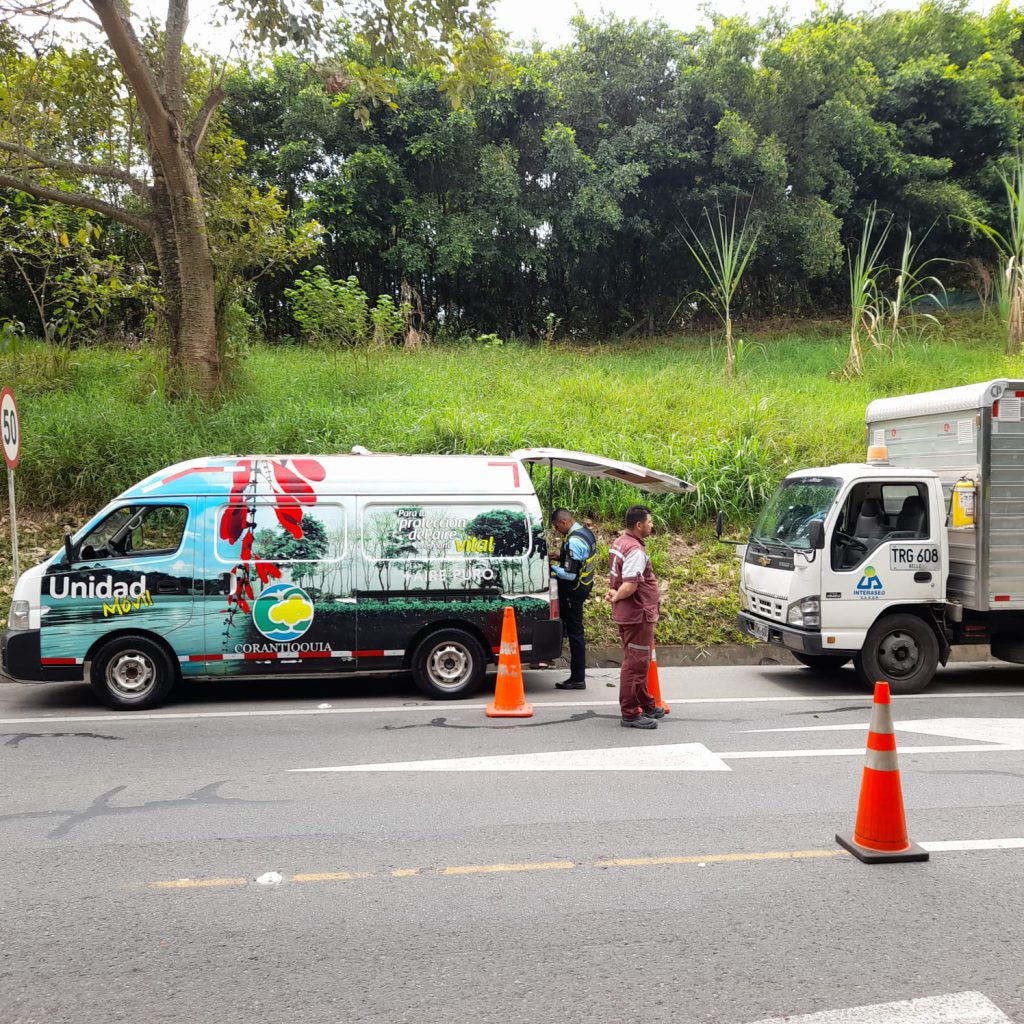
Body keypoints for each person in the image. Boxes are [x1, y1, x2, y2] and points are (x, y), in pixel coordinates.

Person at [606, 504, 666, 729]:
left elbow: (619, 578)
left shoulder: (620, 542)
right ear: (639, 525)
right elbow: (630, 585)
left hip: (631, 613)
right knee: (635, 665)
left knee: (637, 661)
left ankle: (646, 704)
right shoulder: (635, 551)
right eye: (650, 522)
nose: (652, 525)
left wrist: (615, 593)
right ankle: (630, 713)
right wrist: (617, 596)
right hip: (638, 614)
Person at [548, 507, 598, 690]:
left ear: (564, 522)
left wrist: (551, 568)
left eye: (556, 526)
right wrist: (560, 557)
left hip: (573, 592)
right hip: (584, 587)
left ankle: (578, 678)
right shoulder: (585, 533)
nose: (556, 530)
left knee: (576, 634)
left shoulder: (573, 541)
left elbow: (569, 575)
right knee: (574, 631)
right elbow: (579, 560)